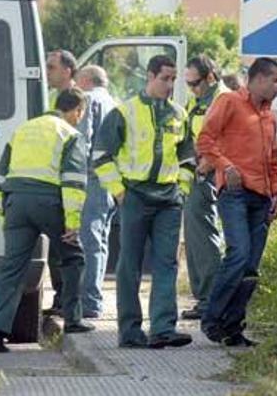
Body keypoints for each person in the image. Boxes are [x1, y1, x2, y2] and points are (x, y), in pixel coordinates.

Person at [93, 55, 196, 349]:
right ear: (149, 77)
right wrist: (120, 192)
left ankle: (163, 328)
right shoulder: (124, 112)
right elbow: (101, 157)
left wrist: (182, 189)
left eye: (173, 79)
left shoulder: (179, 114)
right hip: (135, 196)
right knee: (129, 265)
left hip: (168, 200)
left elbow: (188, 156)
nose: (170, 84)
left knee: (167, 263)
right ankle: (129, 331)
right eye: (165, 78)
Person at [0, 88, 95, 353]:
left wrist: (4, 213)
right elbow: (73, 182)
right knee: (72, 257)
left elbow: (0, 177)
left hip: (16, 204)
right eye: (81, 114)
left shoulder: (23, 129)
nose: (80, 119)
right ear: (76, 110)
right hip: (49, 203)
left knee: (12, 267)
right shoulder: (70, 134)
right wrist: (72, 223)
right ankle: (74, 319)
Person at [197, 57, 277, 347]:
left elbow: (273, 159)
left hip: (262, 198)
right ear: (258, 79)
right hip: (234, 193)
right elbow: (205, 140)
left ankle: (233, 329)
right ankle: (211, 319)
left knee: (251, 266)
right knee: (238, 253)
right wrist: (226, 166)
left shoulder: (270, 116)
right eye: (275, 80)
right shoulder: (229, 102)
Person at [180, 55, 229, 321]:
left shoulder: (222, 99)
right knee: (196, 236)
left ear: (210, 76)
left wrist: (207, 163)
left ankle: (211, 298)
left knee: (204, 236)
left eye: (195, 83)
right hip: (197, 172)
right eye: (188, 84)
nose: (191, 89)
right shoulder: (199, 100)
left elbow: (224, 136)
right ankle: (205, 298)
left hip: (210, 173)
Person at [74, 65, 119, 319]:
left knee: (89, 239)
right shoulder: (114, 101)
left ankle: (89, 302)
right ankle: (93, 299)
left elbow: (84, 139)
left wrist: (77, 174)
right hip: (111, 178)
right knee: (100, 239)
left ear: (86, 80)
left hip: (93, 177)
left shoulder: (89, 99)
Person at [42, 49, 79, 315]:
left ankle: (70, 301)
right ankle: (61, 297)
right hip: (51, 177)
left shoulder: (79, 100)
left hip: (71, 179)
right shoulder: (51, 98)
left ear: (68, 70)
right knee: (57, 246)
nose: (47, 71)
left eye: (52, 67)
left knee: (70, 242)